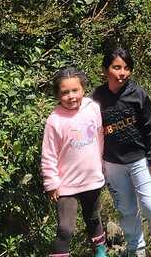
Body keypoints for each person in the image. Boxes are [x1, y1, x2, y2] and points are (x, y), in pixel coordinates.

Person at [93, 48, 151, 257]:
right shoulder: (96, 98)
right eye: (116, 68)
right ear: (105, 70)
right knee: (126, 209)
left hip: (140, 159)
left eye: (126, 68)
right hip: (112, 163)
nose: (122, 73)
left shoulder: (137, 93)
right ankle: (136, 248)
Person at [41, 67, 108, 257]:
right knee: (65, 228)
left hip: (91, 178)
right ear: (58, 94)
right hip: (65, 184)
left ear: (83, 89)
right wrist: (51, 183)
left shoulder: (92, 108)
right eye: (65, 92)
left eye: (75, 90)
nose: (71, 96)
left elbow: (100, 138)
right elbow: (49, 154)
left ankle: (101, 251)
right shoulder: (55, 120)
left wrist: (102, 165)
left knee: (93, 217)